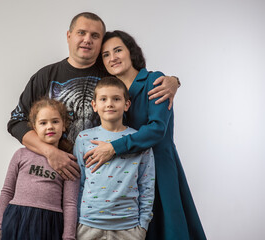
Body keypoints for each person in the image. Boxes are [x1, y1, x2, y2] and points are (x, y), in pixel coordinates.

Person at [7, 12, 180, 180]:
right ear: (69, 36)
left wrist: (173, 81)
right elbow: (16, 121)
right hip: (57, 175)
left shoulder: (113, 74)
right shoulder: (46, 76)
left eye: (95, 36)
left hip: (109, 176)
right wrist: (49, 151)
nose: (87, 39)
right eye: (81, 33)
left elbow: (139, 85)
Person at [83, 30, 206, 240]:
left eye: (118, 50)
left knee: (167, 228)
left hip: (159, 168)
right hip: (127, 176)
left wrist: (113, 148)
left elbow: (157, 129)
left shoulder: (155, 80)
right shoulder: (111, 92)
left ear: (131, 52)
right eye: (106, 54)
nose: (113, 58)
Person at [74, 76, 155, 240]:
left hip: (129, 228)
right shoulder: (84, 138)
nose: (109, 103)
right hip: (87, 225)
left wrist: (143, 226)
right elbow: (78, 182)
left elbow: (147, 186)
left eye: (116, 99)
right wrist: (74, 222)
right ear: (94, 105)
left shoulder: (138, 140)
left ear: (127, 104)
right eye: (103, 99)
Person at [0, 98, 79, 240]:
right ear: (34, 127)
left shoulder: (68, 162)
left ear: (64, 125)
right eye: (43, 123)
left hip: (50, 223)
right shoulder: (21, 154)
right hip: (17, 218)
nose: (50, 126)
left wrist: (69, 237)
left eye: (55, 121)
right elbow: (7, 191)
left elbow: (70, 204)